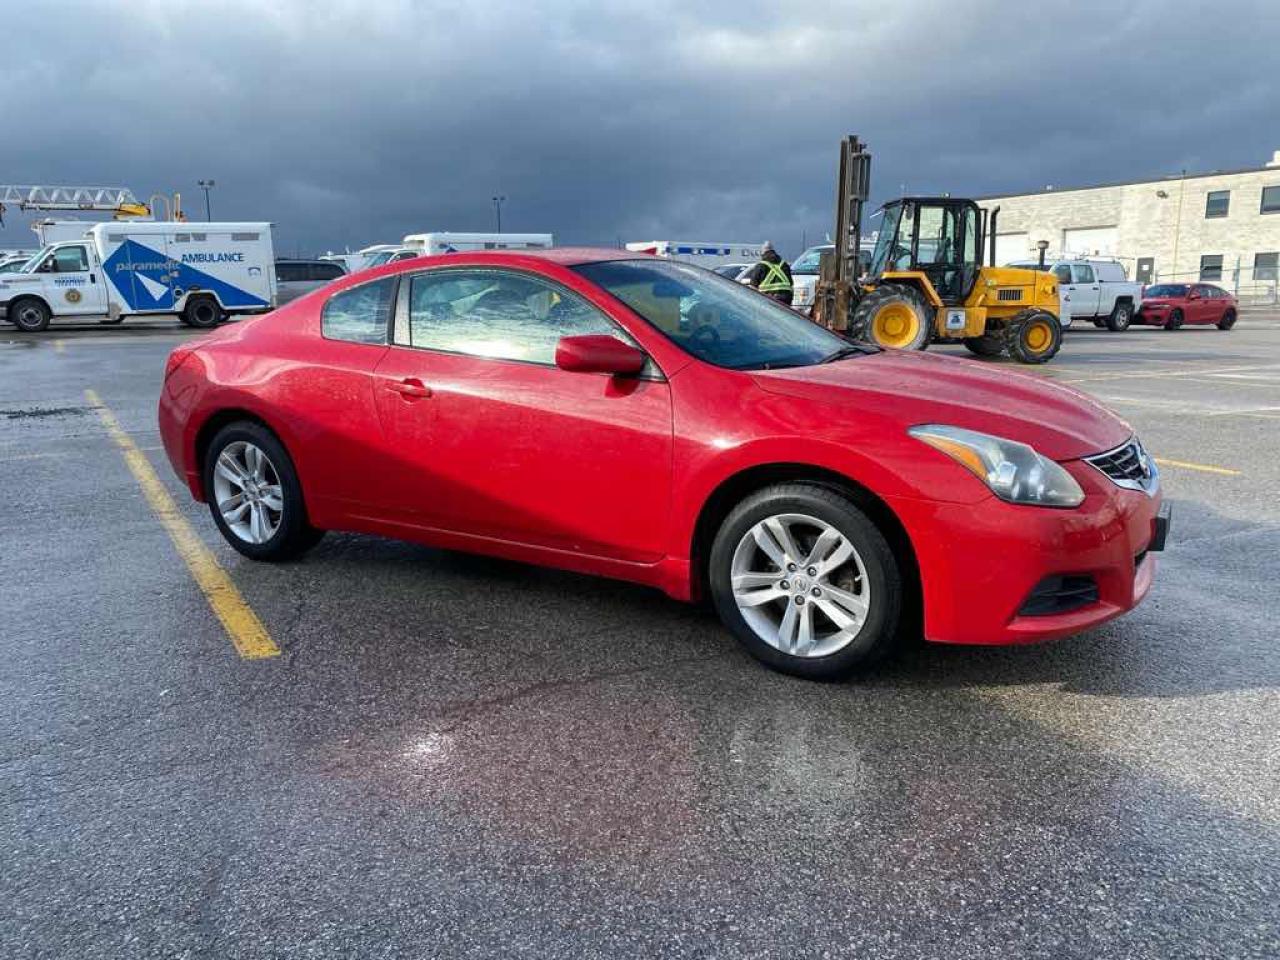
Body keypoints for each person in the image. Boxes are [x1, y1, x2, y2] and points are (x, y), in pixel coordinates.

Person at [745, 241, 794, 305]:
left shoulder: (760, 266)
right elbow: (791, 283)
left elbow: (753, 287)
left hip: (769, 299)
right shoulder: (784, 265)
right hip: (786, 299)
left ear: (763, 254)